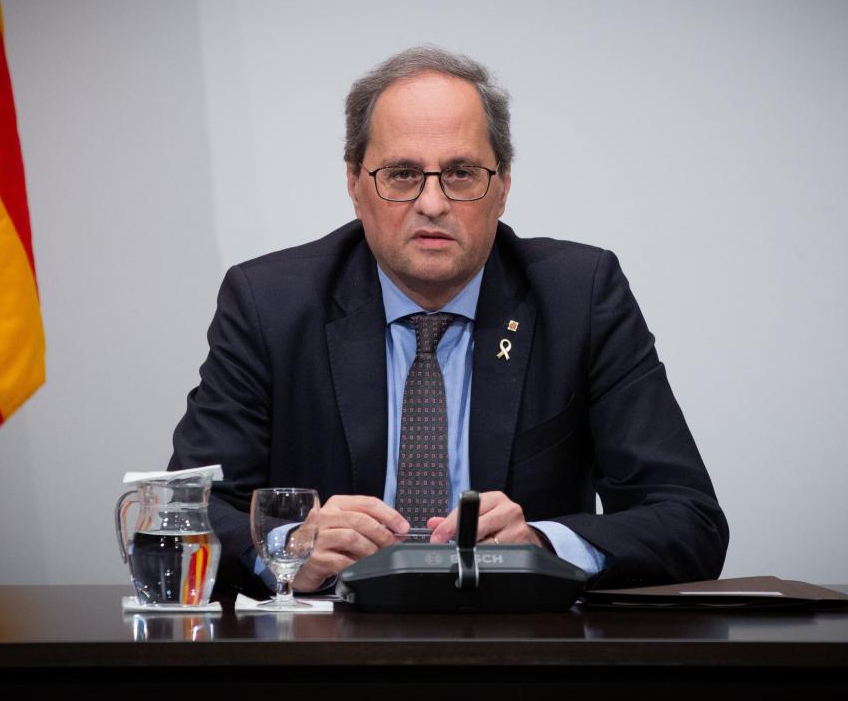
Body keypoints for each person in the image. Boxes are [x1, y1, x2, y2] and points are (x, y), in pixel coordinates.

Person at [169, 46, 728, 596]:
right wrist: (288, 547)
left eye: (461, 173)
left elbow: (689, 519)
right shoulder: (270, 304)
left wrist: (541, 544)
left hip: (521, 642)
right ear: (355, 185)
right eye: (402, 174)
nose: (432, 203)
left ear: (503, 186)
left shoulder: (578, 298)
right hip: (333, 643)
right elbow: (185, 513)